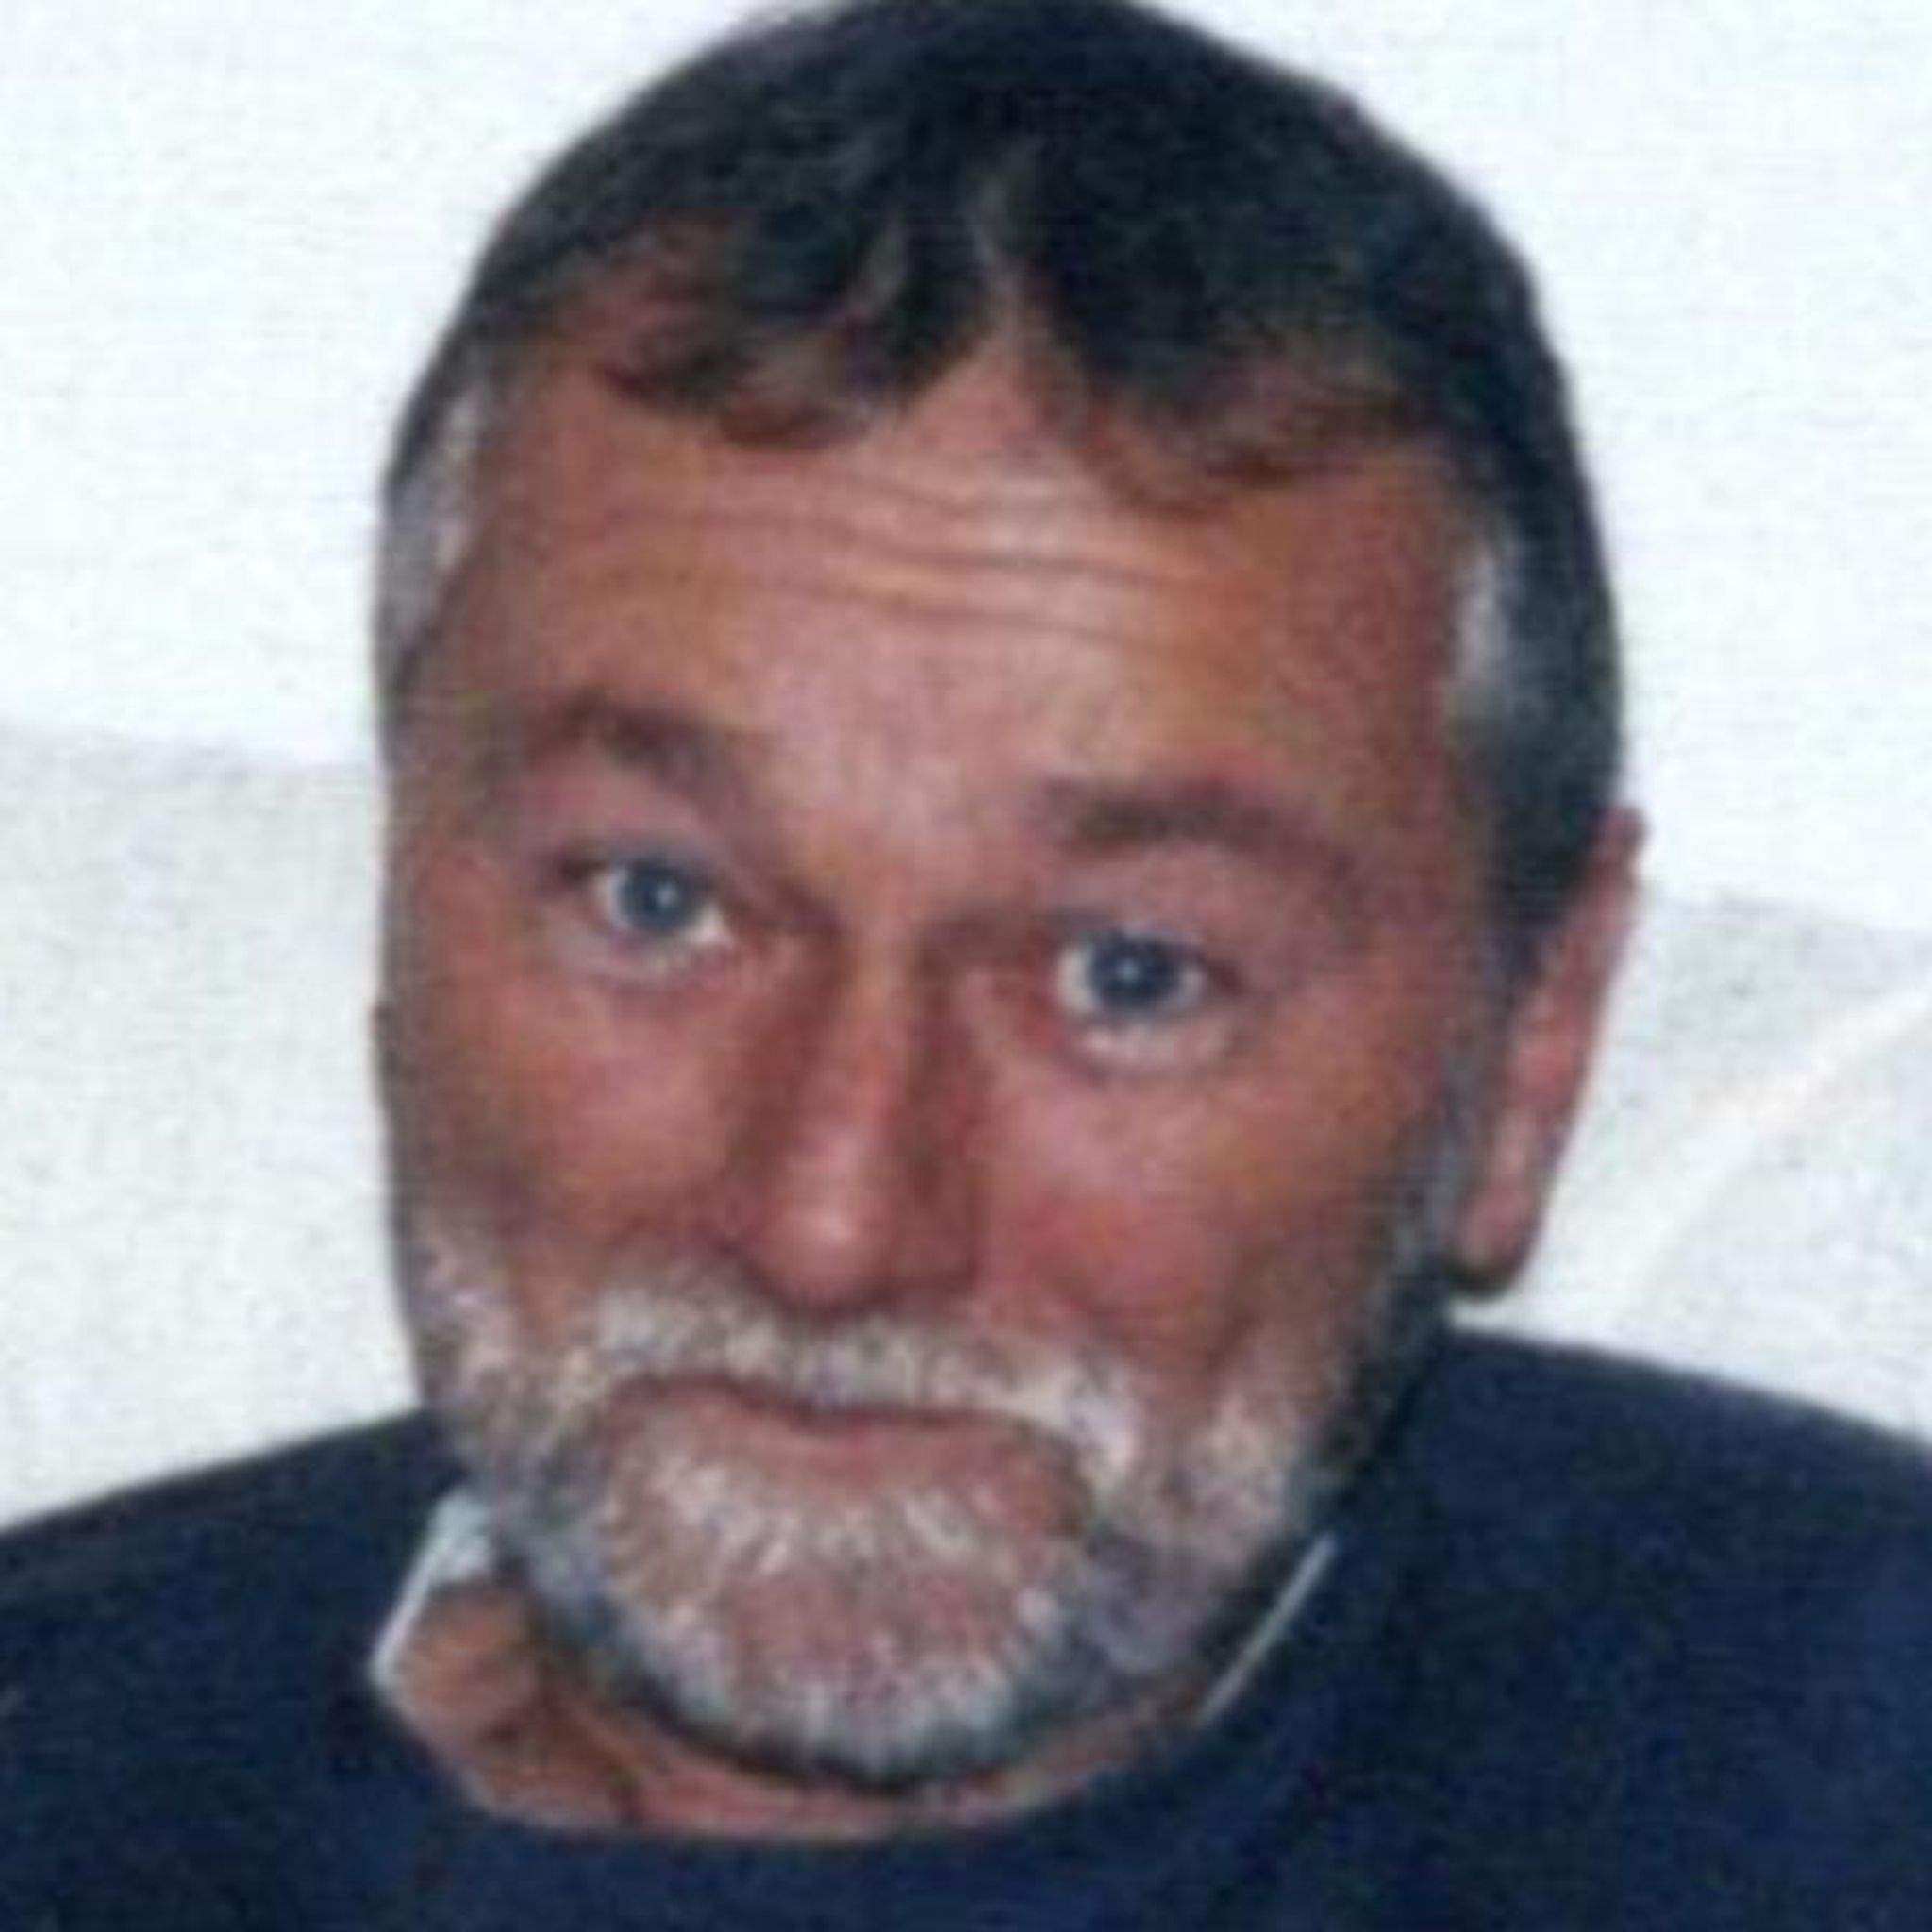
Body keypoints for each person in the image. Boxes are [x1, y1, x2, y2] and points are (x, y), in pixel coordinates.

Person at [4, 0, 1929, 1923]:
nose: (831, 1231)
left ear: (1532, 1043)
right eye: (657, 903)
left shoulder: (1842, 1767)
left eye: (1127, 976)